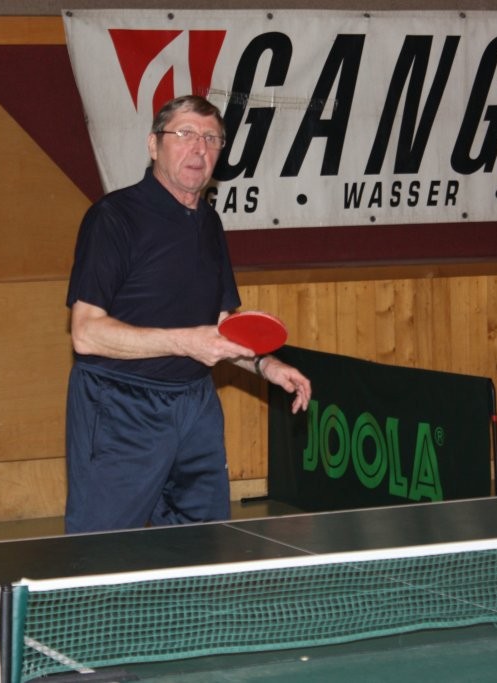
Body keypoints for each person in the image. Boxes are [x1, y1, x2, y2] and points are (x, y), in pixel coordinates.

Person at [64, 95, 312, 534]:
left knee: (203, 543)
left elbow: (220, 330)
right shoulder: (113, 218)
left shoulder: (209, 223)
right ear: (153, 145)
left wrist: (267, 366)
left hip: (195, 405)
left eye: (212, 139)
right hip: (120, 404)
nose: (199, 148)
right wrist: (185, 342)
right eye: (185, 134)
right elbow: (85, 334)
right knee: (102, 552)